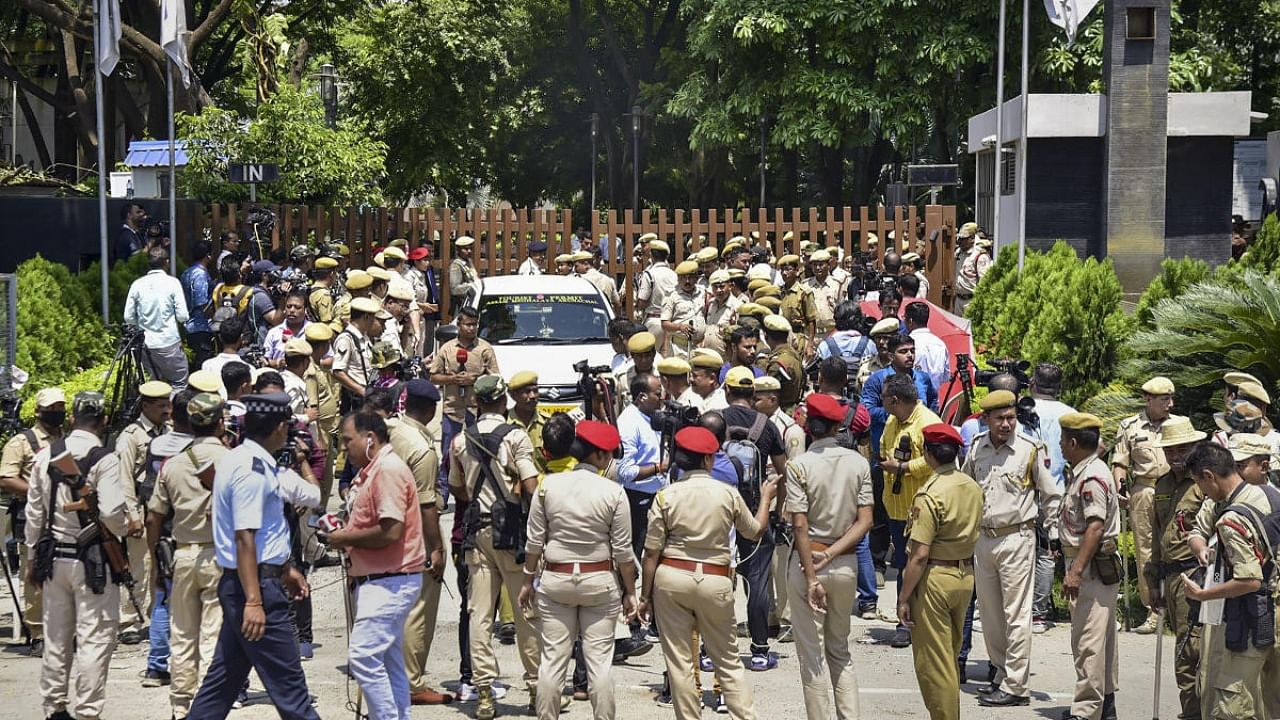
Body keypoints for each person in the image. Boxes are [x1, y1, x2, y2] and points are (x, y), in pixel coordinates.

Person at [185, 393, 318, 719]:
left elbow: (263, 533)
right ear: (279, 427)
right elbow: (245, 537)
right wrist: (255, 601)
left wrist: (284, 568)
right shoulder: (251, 471)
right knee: (292, 693)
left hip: (248, 582)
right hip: (255, 588)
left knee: (220, 686)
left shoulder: (240, 460)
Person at [637, 426, 778, 720]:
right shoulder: (727, 494)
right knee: (727, 660)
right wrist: (766, 498)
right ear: (708, 460)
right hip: (715, 577)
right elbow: (754, 531)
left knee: (680, 663)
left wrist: (645, 596)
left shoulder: (665, 496)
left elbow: (651, 552)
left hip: (672, 576)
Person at [519, 420, 637, 720]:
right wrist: (631, 593)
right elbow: (623, 552)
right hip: (599, 580)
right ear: (598, 456)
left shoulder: (547, 486)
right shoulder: (613, 492)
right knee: (599, 664)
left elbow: (534, 541)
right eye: (608, 454)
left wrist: (527, 581)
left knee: (552, 661)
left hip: (556, 578)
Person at [24, 392, 125, 720]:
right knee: (95, 639)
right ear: (103, 420)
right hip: (93, 560)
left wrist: (30, 561)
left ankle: (54, 708)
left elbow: (34, 514)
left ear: (72, 419)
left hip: (54, 559)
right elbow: (111, 514)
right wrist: (127, 526)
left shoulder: (45, 456)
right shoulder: (105, 458)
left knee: (56, 637)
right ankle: (87, 711)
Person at [448, 375, 542, 719]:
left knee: (480, 614)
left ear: (477, 404)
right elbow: (531, 487)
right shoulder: (515, 436)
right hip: (513, 533)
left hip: (477, 531)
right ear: (503, 400)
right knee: (526, 611)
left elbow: (458, 490)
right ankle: (536, 688)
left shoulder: (459, 441)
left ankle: (484, 693)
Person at [960, 390, 1061, 707]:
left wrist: (1053, 533)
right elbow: (965, 488)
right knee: (990, 616)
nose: (1006, 424)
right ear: (986, 419)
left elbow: (1051, 495)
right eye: (1000, 418)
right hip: (983, 539)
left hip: (1017, 538)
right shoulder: (977, 448)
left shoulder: (1029, 449)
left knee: (1016, 614)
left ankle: (1017, 686)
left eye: (1011, 418)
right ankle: (1001, 675)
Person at [325, 411, 425, 720]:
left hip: (390, 580)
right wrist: (344, 529)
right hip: (380, 579)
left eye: (347, 441)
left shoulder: (388, 470)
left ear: (370, 438)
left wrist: (344, 538)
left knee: (363, 656)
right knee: (388, 660)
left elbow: (390, 531)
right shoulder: (372, 470)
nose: (344, 448)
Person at [786, 393, 874, 720]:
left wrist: (812, 575)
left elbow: (799, 523)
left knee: (812, 657)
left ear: (809, 427)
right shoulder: (858, 462)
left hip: (808, 561)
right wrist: (835, 553)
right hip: (845, 562)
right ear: (839, 426)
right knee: (840, 651)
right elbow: (865, 520)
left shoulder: (800, 466)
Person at [147, 391, 227, 719]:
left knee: (181, 636)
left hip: (181, 556)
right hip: (220, 556)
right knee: (213, 635)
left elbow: (154, 516)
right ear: (220, 422)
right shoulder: (232, 459)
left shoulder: (173, 463)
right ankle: (206, 708)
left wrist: (153, 560)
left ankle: (180, 708)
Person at [1181, 442, 1272, 720]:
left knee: (1230, 706)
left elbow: (1249, 579)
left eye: (1200, 484)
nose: (1202, 492)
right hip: (1264, 614)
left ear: (1209, 476)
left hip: (1245, 619)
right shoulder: (1266, 497)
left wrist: (1202, 594)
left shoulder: (1231, 518)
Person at [898, 423, 982, 720]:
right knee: (950, 654)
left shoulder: (930, 493)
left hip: (935, 578)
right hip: (965, 576)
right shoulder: (971, 485)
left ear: (929, 454)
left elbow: (919, 555)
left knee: (936, 664)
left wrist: (903, 598)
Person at [384, 379, 452, 705]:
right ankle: (412, 682)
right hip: (413, 534)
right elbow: (427, 506)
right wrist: (436, 548)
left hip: (387, 531)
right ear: (430, 410)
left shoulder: (390, 429)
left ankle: (395, 674)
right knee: (418, 610)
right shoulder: (422, 450)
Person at [723, 366, 789, 669]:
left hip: (719, 513)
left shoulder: (714, 421)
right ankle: (760, 651)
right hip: (754, 511)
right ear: (753, 395)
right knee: (758, 583)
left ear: (727, 391)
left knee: (718, 580)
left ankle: (712, 653)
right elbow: (783, 472)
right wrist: (778, 511)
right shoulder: (767, 426)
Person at [1143, 417, 1207, 720]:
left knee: (1189, 651)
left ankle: (1194, 714)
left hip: (1194, 573)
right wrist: (1152, 578)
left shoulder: (1204, 484)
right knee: (1181, 647)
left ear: (1195, 447)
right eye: (1170, 451)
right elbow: (1157, 533)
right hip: (1168, 575)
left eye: (1182, 449)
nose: (1176, 456)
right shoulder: (1163, 484)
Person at [1058, 412, 1121, 720]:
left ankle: (1086, 711)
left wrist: (1075, 571)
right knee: (1102, 638)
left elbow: (1094, 527)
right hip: (1092, 563)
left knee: (1088, 641)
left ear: (1073, 443)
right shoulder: (1088, 469)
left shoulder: (1091, 476)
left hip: (1091, 566)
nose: (1059, 446)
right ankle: (1105, 705)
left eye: (1062, 441)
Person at [1113, 376, 1183, 635]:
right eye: (1165, 399)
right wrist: (1120, 488)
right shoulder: (1130, 426)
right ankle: (1154, 611)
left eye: (1171, 398)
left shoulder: (1180, 424)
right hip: (1143, 489)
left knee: (1176, 544)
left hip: (1175, 488)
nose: (1170, 404)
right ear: (1148, 399)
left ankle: (1179, 606)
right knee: (1146, 549)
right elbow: (1120, 462)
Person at [878, 374, 944, 648]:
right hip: (896, 509)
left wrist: (904, 468)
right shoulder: (893, 422)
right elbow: (883, 449)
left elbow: (936, 461)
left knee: (921, 567)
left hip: (921, 511)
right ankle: (903, 621)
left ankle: (922, 623)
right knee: (904, 566)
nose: (882, 404)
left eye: (884, 399)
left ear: (895, 399)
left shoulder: (928, 423)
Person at [0, 386, 65, 655]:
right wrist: (39, 492)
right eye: (51, 410)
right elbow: (5, 477)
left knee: (63, 573)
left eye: (60, 409)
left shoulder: (67, 438)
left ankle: (61, 630)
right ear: (38, 412)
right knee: (35, 572)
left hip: (64, 514)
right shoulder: (22, 442)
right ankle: (37, 632)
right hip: (31, 514)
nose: (57, 414)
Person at [112, 379, 173, 645]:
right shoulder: (131, 436)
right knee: (139, 566)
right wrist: (132, 515)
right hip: (140, 507)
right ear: (146, 405)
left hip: (163, 510)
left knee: (161, 563)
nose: (167, 410)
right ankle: (129, 620)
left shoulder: (169, 431)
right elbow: (123, 479)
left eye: (168, 404)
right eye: (160, 406)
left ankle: (155, 617)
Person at [429, 305, 499, 505]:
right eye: (467, 324)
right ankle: (443, 494)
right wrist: (452, 379)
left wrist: (474, 379)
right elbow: (434, 376)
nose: (471, 328)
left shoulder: (484, 348)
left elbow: (495, 377)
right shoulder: (447, 349)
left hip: (476, 409)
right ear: (458, 324)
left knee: (480, 451)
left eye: (474, 324)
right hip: (452, 409)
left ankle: (481, 492)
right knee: (447, 453)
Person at [1027, 362, 1076, 630]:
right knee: (1048, 551)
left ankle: (1025, 608)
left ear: (1034, 382)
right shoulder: (1070, 414)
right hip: (1056, 491)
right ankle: (1039, 612)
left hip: (1024, 490)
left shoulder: (1023, 411)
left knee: (1025, 550)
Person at [124, 246, 191, 389]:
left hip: (146, 344)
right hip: (169, 342)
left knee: (155, 385)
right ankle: (174, 410)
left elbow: (128, 317)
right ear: (166, 262)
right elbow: (182, 316)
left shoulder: (137, 284)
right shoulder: (173, 283)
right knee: (179, 384)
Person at [332, 296, 381, 410]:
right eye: (373, 318)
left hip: (368, 395)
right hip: (355, 400)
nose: (373, 322)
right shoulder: (346, 339)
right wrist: (361, 391)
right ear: (366, 317)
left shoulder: (364, 337)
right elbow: (338, 371)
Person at [635, 237, 679, 352]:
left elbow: (642, 302)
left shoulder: (649, 274)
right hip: (671, 322)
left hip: (654, 320)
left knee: (649, 357)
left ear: (652, 255)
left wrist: (639, 305)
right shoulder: (674, 275)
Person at [182, 240, 218, 368]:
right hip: (200, 326)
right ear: (208, 255)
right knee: (202, 365)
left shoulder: (187, 272)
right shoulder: (200, 274)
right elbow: (202, 303)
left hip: (189, 325)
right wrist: (215, 317)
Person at [661, 261, 707, 359]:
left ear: (696, 278)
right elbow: (664, 324)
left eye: (690, 277)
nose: (687, 281)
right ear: (678, 279)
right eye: (683, 278)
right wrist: (679, 327)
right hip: (679, 348)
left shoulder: (703, 293)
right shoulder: (671, 296)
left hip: (699, 347)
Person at [761, 315, 805, 412]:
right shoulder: (794, 355)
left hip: (780, 412)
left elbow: (767, 396)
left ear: (766, 336)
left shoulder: (777, 365)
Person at [903, 302, 948, 396]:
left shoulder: (907, 345)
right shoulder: (940, 344)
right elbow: (945, 377)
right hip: (934, 399)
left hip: (912, 399)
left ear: (910, 321)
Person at [777, 255, 817, 357]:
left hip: (798, 337)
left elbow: (811, 320)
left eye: (788, 269)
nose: (784, 273)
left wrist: (810, 345)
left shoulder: (804, 293)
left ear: (797, 271)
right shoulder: (779, 292)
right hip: (781, 337)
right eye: (782, 270)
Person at [507, 371, 545, 471]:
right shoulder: (504, 423)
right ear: (514, 396)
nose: (532, 396)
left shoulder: (547, 423)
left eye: (535, 391)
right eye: (527, 392)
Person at [263, 290, 310, 365]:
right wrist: (278, 363)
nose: (292, 310)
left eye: (297, 307)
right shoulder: (274, 332)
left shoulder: (313, 330)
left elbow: (328, 358)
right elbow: (265, 360)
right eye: (289, 306)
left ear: (305, 310)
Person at [951, 223, 979, 314]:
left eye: (963, 239)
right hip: (959, 299)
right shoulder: (959, 252)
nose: (960, 241)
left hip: (971, 301)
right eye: (960, 238)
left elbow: (984, 281)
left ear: (972, 239)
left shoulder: (978, 255)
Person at [449, 236, 479, 311]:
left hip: (472, 302)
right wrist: (472, 286)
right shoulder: (456, 265)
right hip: (461, 305)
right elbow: (455, 289)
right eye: (465, 249)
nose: (469, 251)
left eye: (470, 248)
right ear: (458, 250)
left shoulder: (468, 262)